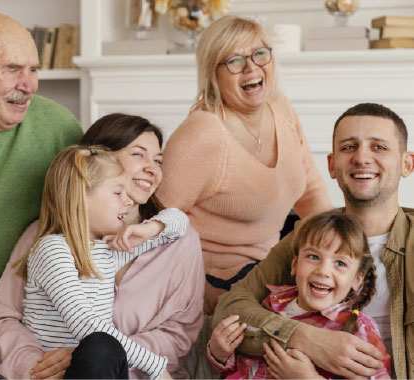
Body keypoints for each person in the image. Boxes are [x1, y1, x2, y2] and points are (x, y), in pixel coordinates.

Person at [0, 113, 204, 379]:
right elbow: (5, 322)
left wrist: (151, 229)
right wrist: (38, 366)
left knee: (99, 349)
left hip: (126, 372)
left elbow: (176, 336)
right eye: (138, 155)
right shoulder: (46, 240)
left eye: (158, 160)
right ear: (98, 161)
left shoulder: (159, 241)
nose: (153, 169)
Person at [213, 103, 414, 379]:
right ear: (332, 166)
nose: (361, 158)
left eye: (379, 147)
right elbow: (232, 306)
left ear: (406, 164)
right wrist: (306, 338)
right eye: (348, 147)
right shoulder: (310, 236)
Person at [156, 15, 331, 315]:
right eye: (234, 61)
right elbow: (152, 221)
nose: (252, 67)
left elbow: (310, 193)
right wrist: (200, 290)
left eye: (259, 54)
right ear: (213, 73)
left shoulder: (282, 110)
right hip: (215, 279)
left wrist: (341, 249)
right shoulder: (203, 133)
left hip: (266, 270)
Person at [0, 12, 82, 378]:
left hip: (38, 308)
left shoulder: (59, 127)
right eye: (13, 68)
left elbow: (97, 217)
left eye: (33, 70)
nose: (28, 85)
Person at [17, 144, 189, 379]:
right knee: (101, 345)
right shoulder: (52, 249)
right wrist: (155, 366)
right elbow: (86, 325)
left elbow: (179, 223)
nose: (128, 202)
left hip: (102, 369)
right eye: (118, 193)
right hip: (65, 373)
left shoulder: (108, 250)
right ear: (80, 197)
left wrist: (150, 229)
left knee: (105, 349)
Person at [208, 210, 391, 379]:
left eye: (340, 263)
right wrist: (221, 354)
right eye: (313, 257)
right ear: (295, 264)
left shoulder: (359, 330)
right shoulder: (269, 305)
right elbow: (242, 368)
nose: (323, 271)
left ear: (357, 279)